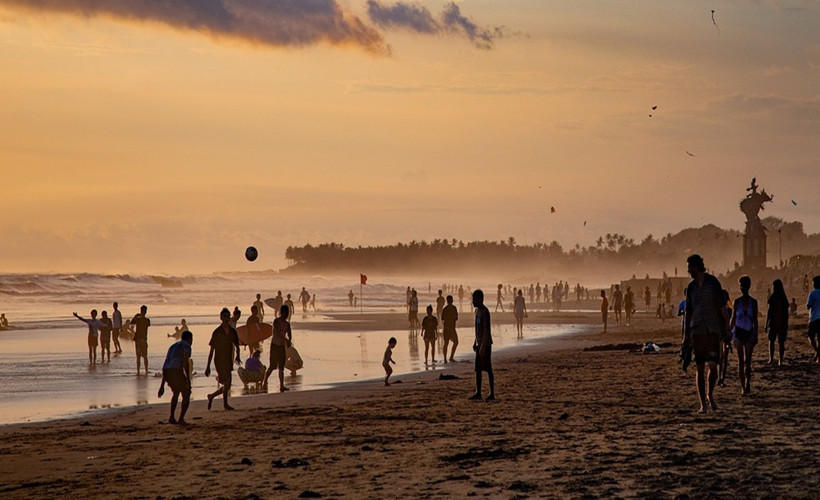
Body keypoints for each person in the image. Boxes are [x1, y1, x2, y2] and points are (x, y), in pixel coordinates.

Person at [684, 254, 730, 414]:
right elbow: (688, 313)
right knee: (700, 366)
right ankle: (703, 403)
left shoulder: (712, 282)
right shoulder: (691, 288)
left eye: (690, 266)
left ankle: (710, 394)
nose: (688, 270)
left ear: (697, 267)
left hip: (712, 329)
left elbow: (722, 306)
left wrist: (727, 325)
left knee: (713, 366)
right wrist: (685, 335)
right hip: (697, 330)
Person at [205, 308, 241, 411]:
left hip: (228, 359)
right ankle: (225, 404)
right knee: (226, 382)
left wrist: (238, 356)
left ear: (229, 318)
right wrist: (208, 366)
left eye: (227, 316)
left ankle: (211, 396)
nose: (226, 318)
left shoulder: (233, 332)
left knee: (227, 384)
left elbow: (237, 345)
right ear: (220, 318)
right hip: (219, 360)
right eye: (224, 316)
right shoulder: (217, 332)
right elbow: (212, 350)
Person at [730, 276, 758, 396]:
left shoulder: (754, 302)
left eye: (744, 285)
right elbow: (733, 319)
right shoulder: (737, 302)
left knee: (748, 361)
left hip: (749, 332)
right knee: (741, 361)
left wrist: (755, 335)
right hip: (738, 332)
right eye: (741, 285)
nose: (742, 288)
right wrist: (728, 332)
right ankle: (743, 386)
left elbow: (755, 320)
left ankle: (748, 383)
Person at [158, 330, 193, 425]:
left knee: (176, 392)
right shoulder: (186, 345)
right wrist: (188, 380)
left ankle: (172, 416)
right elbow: (185, 361)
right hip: (176, 370)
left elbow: (166, 364)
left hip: (167, 371)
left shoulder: (172, 346)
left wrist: (162, 386)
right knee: (187, 393)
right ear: (189, 339)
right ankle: (181, 418)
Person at [470, 289, 495, 401]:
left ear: (480, 299)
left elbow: (486, 330)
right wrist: (475, 342)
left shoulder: (485, 312)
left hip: (486, 344)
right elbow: (477, 329)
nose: (472, 301)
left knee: (488, 368)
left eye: (474, 299)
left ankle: (492, 393)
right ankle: (478, 392)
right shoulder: (476, 312)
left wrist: (483, 346)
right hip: (479, 343)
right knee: (478, 369)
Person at [264, 305, 292, 392]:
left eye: (288, 313)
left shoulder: (287, 324)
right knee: (272, 366)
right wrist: (286, 340)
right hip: (275, 346)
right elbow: (278, 333)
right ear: (282, 313)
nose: (286, 315)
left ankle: (281, 385)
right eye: (285, 313)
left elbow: (289, 335)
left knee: (281, 367)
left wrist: (289, 341)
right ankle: (265, 380)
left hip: (281, 347)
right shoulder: (276, 321)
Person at [765, 279, 789, 366]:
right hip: (782, 323)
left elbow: (769, 312)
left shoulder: (772, 297)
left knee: (772, 341)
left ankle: (771, 358)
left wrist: (766, 324)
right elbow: (786, 313)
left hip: (773, 323)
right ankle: (780, 360)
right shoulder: (783, 298)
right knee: (780, 342)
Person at [131, 305, 151, 376]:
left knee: (138, 356)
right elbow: (148, 325)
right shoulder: (147, 320)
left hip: (138, 340)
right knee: (145, 356)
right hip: (144, 339)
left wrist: (136, 316)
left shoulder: (138, 319)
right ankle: (146, 370)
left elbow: (132, 322)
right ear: (146, 311)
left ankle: (138, 371)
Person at [806, 276, 820, 363]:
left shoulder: (812, 293)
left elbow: (808, 306)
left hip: (814, 317)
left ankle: (817, 351)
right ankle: (818, 355)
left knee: (811, 337)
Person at [441, 295, 459, 362]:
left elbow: (442, 318)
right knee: (455, 342)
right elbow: (456, 318)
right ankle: (451, 357)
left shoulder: (445, 309)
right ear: (452, 300)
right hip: (451, 328)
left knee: (446, 343)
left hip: (446, 328)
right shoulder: (454, 308)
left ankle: (445, 358)